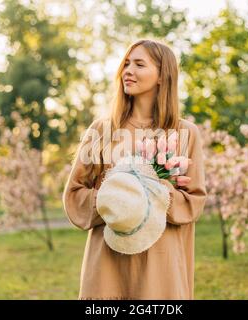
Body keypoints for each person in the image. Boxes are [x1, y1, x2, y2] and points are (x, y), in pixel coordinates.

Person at [62, 39, 207, 299]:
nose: (128, 70)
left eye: (139, 64)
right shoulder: (102, 131)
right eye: (126, 64)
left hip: (160, 264)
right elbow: (74, 194)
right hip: (108, 262)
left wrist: (155, 191)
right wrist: (115, 198)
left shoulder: (186, 134)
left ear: (163, 76)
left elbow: (194, 201)